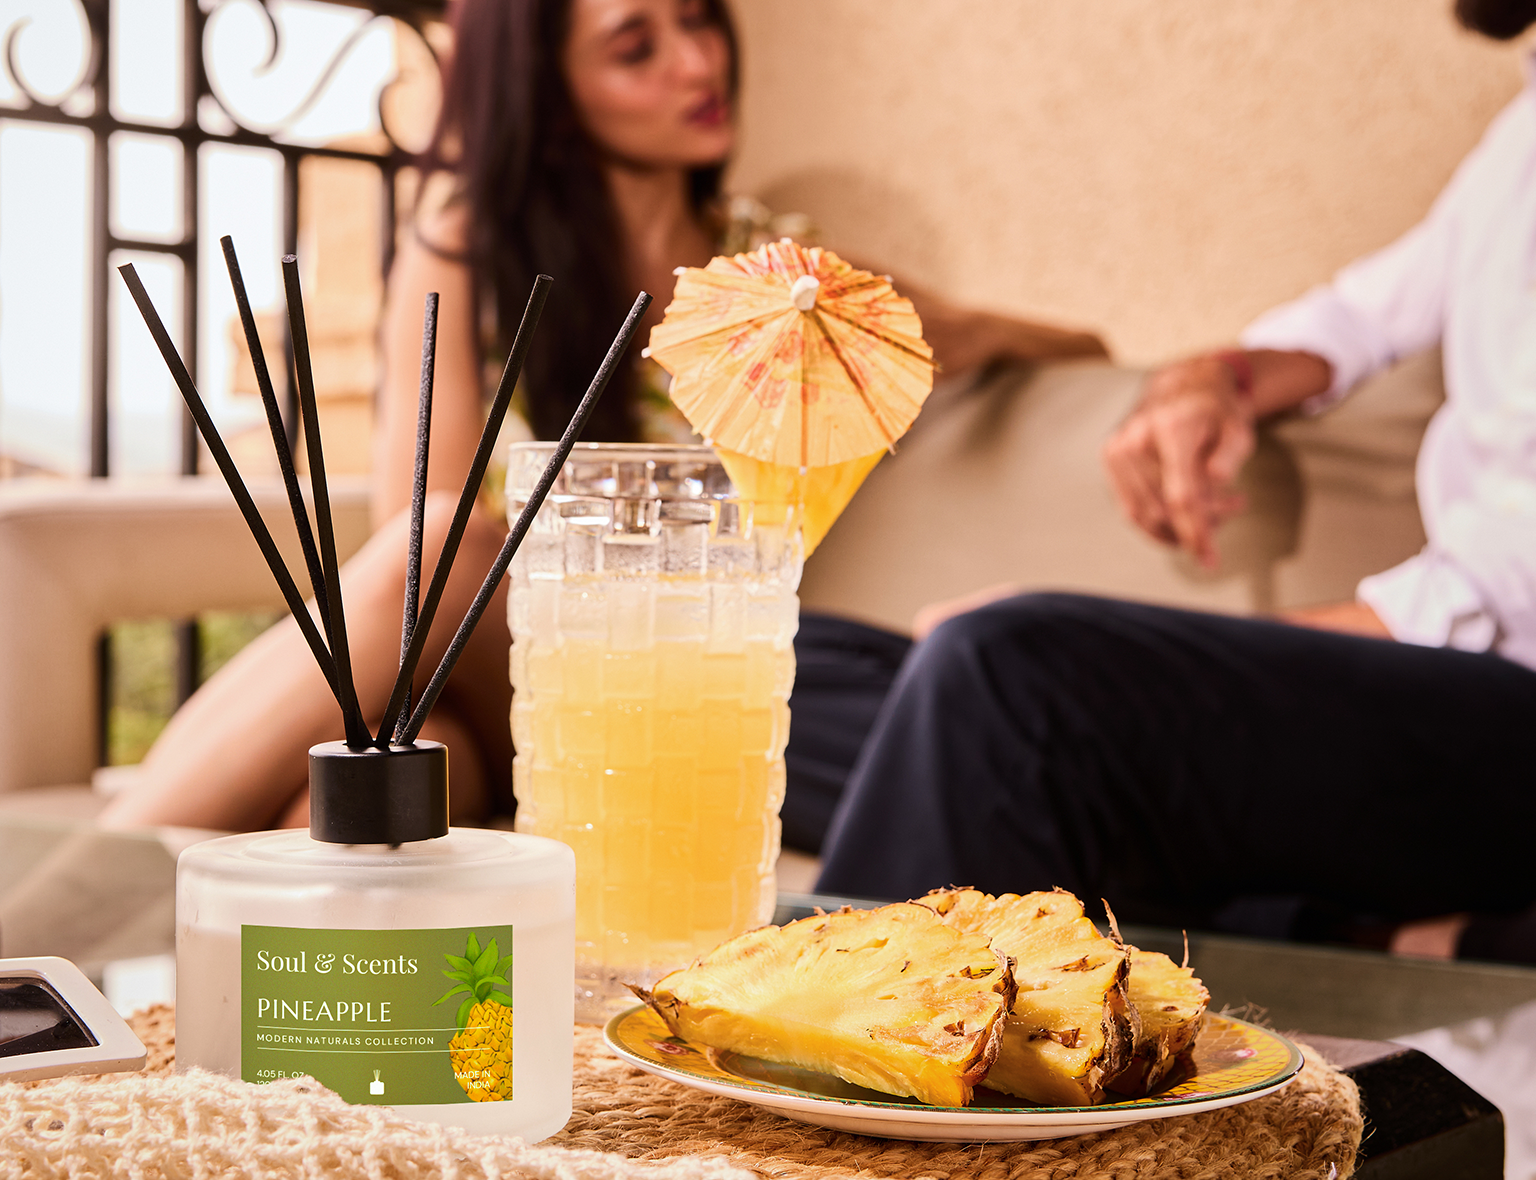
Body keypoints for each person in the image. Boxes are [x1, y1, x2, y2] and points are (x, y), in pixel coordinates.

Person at [101, 0, 1105, 835]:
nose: (698, 62)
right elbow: (423, 529)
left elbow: (1038, 342)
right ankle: (118, 973)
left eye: (701, 23)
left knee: (410, 739)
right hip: (512, 662)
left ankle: (80, 923)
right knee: (421, 672)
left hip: (684, 677)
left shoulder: (779, 280)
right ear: (550, 89)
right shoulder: (468, 247)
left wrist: (1149, 383)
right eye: (637, 48)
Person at [810, 0, 1536, 965]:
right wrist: (1212, 385)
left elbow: (1493, 598)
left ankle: (827, 1095)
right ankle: (1345, 933)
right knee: (788, 669)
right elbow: (1356, 319)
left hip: (1507, 726)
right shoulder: (1518, 139)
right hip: (1463, 693)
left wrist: (1104, 645)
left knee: (1010, 675)